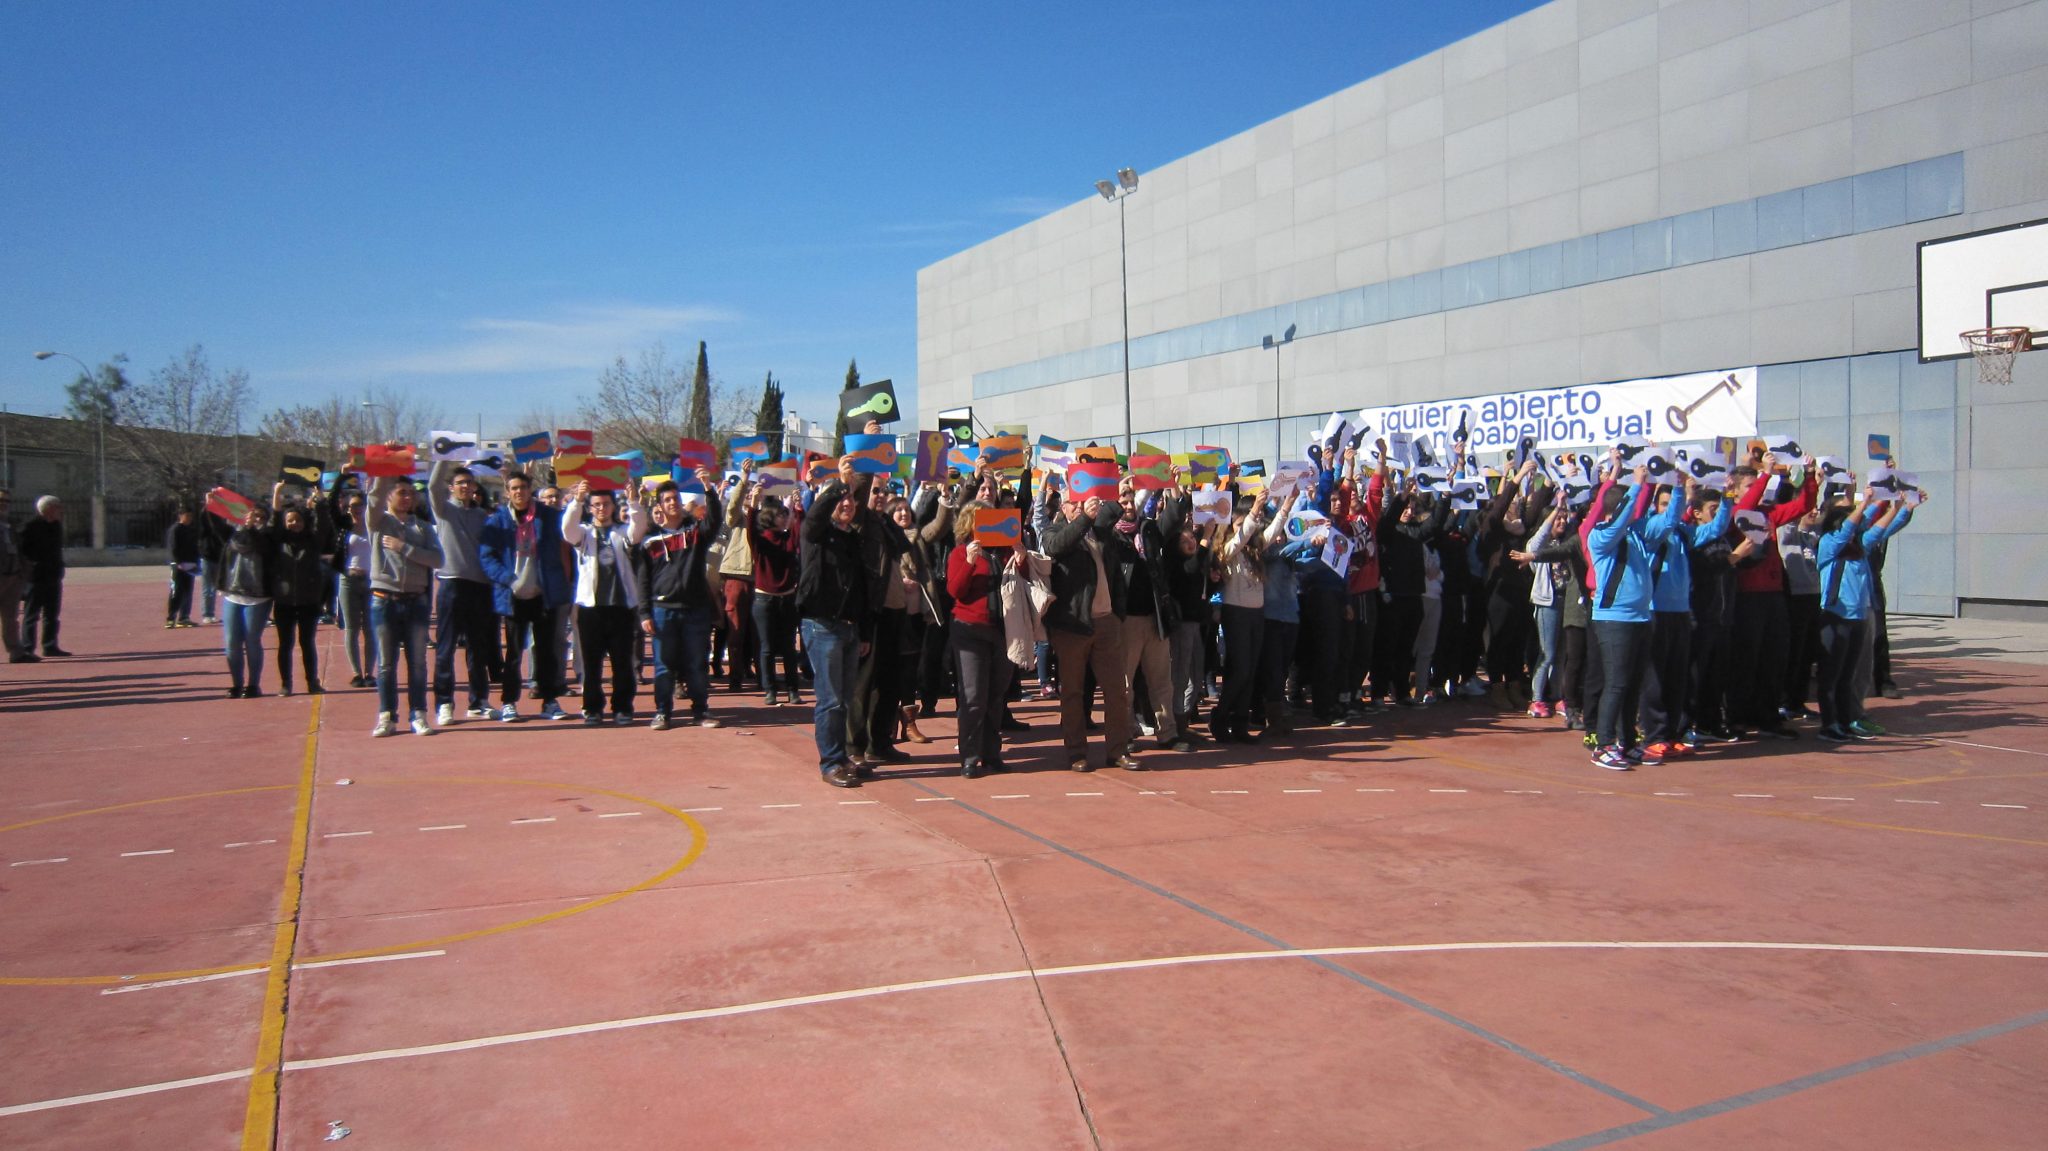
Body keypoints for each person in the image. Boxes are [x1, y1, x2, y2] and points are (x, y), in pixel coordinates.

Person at [1585, 457, 1683, 769]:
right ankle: (1603, 745)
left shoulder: (1639, 534)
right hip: (1613, 619)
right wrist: (1638, 486)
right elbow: (1620, 520)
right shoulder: (1600, 536)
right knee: (1616, 683)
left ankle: (1627, 742)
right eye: (1628, 507)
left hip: (1641, 617)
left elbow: (1668, 521)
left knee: (1633, 682)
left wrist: (1679, 487)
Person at [1041, 484, 1137, 772]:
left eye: (1083, 502)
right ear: (1063, 508)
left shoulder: (1102, 533)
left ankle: (1118, 750)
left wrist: (1118, 492)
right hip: (1072, 625)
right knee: (1072, 692)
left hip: (1106, 621)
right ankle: (1076, 752)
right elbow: (1057, 547)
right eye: (1073, 503)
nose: (1080, 507)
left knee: (1116, 690)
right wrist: (1084, 519)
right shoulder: (1053, 532)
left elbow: (1110, 513)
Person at [1814, 486, 1915, 742]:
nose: (1858, 527)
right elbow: (1847, 530)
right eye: (1850, 520)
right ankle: (1830, 724)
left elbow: (1881, 530)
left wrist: (1899, 509)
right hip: (1835, 615)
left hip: (1858, 617)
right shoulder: (1829, 545)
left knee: (1848, 675)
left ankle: (1846, 720)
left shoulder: (1859, 548)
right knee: (1831, 675)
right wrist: (1867, 502)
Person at [798, 460, 872, 787]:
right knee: (829, 699)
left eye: (851, 500)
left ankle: (841, 756)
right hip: (821, 625)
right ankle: (830, 762)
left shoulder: (852, 539)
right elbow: (814, 516)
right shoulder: (816, 534)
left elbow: (861, 589)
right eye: (841, 500)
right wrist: (839, 486)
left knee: (844, 697)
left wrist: (864, 631)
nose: (847, 504)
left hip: (849, 627)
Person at [480, 470, 574, 722]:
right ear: (507, 492)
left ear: (530, 489)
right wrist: (508, 579)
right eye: (514, 488)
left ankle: (549, 700)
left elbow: (571, 526)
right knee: (513, 653)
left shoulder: (548, 516)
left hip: (543, 594)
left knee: (546, 651)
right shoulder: (497, 521)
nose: (519, 492)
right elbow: (487, 557)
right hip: (513, 596)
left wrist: (575, 498)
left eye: (523, 487)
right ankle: (509, 701)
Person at [636, 472, 723, 730]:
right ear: (660, 507)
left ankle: (701, 710)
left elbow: (714, 520)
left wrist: (709, 490)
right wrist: (644, 613)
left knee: (697, 664)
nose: (672, 503)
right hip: (663, 610)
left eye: (675, 498)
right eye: (667, 500)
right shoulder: (650, 540)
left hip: (695, 609)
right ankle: (663, 712)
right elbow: (643, 580)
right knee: (664, 667)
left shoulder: (696, 533)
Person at [562, 479, 649, 725]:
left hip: (621, 607)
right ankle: (592, 707)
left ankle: (622, 707)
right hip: (591, 608)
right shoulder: (584, 534)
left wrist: (633, 501)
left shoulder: (621, 533)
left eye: (606, 504)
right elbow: (567, 530)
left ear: (613, 506)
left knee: (622, 661)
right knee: (591, 662)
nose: (602, 509)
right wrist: (577, 501)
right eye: (597, 505)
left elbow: (639, 529)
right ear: (590, 508)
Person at [366, 473, 444, 736]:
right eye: (401, 492)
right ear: (390, 495)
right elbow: (373, 501)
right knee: (387, 663)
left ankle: (418, 714)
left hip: (416, 601)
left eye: (411, 493)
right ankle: (387, 715)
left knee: (418, 663)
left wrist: (405, 548)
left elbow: (438, 559)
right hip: (384, 600)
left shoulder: (421, 527)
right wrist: (382, 472)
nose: (408, 497)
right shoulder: (379, 523)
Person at [427, 460, 500, 726]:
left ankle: (478, 701)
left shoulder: (481, 516)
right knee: (445, 648)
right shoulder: (444, 511)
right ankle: (444, 703)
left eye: (469, 483)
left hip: (479, 586)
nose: (466, 487)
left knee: (478, 647)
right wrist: (443, 458)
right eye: (460, 483)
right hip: (452, 584)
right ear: (451, 488)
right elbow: (433, 487)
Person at [947, 501, 1012, 778]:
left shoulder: (1000, 553)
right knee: (973, 697)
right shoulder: (961, 553)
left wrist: (1019, 558)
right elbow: (955, 590)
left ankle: (991, 752)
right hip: (969, 629)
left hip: (1000, 630)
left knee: (996, 695)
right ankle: (970, 756)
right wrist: (971, 562)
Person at [269, 484, 333, 696]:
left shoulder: (312, 541)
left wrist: (320, 499)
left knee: (307, 643)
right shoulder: (278, 541)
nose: (294, 523)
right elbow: (275, 518)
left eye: (298, 520)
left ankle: (312, 682)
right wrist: (277, 493)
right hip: (284, 601)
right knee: (285, 644)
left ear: (304, 522)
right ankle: (286, 683)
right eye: (290, 520)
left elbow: (324, 524)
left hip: (308, 601)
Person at [746, 491, 802, 706]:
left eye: (785, 514)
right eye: (781, 514)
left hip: (787, 598)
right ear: (770, 516)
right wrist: (753, 504)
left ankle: (792, 689)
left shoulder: (788, 539)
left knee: (789, 646)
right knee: (767, 647)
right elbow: (750, 530)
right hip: (764, 599)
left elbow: (798, 533)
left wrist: (798, 508)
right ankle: (770, 689)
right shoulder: (761, 542)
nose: (784, 518)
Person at [219, 503, 277, 698]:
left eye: (260, 516)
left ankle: (253, 685)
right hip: (233, 593)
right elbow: (214, 530)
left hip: (258, 595)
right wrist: (211, 506)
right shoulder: (235, 535)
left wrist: (251, 528)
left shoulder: (267, 536)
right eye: (252, 516)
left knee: (252, 639)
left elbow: (259, 544)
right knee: (232, 642)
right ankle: (236, 684)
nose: (255, 519)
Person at [333, 484, 379, 687]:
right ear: (346, 507)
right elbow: (329, 505)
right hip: (348, 580)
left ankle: (370, 672)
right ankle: (356, 673)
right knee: (351, 628)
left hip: (371, 581)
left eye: (360, 504)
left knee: (370, 628)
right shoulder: (343, 527)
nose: (356, 508)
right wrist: (342, 478)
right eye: (352, 505)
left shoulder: (374, 525)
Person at [20, 495, 68, 657]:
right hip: (35, 578)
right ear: (48, 509)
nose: (60, 510)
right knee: (31, 614)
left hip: (53, 576)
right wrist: (31, 566)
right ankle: (27, 647)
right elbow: (22, 551)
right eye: (57, 507)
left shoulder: (56, 526)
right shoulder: (29, 526)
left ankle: (50, 645)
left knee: (52, 614)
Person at [0, 490, 31, 662]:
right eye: (1, 500)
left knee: (10, 618)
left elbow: (20, 549)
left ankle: (16, 651)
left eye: (7, 501)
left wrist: (23, 573)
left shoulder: (10, 524)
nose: (4, 503)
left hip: (13, 577)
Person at [165, 508, 200, 627]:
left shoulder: (191, 529)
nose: (189, 518)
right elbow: (173, 547)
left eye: (191, 516)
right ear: (181, 516)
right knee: (176, 591)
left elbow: (195, 547)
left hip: (190, 565)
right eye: (187, 516)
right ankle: (171, 618)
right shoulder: (175, 529)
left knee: (188, 591)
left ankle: (184, 617)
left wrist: (196, 561)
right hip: (178, 566)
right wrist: (177, 562)